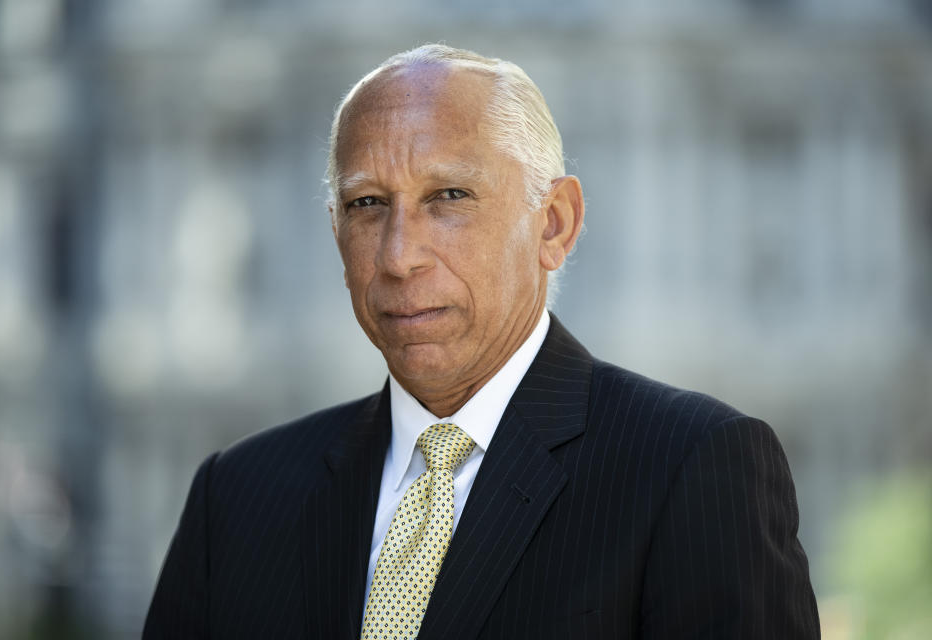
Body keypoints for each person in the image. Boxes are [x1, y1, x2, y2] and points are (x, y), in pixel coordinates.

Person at [144, 44, 820, 639]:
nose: (399, 255)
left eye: (449, 196)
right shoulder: (236, 497)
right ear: (336, 234)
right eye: (367, 205)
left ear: (555, 224)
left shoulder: (691, 467)